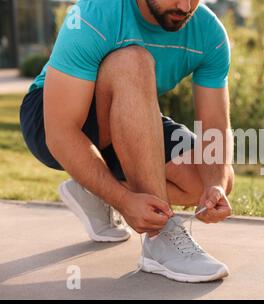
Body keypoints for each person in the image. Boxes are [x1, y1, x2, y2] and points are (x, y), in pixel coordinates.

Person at [19, 0, 234, 283]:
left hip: (128, 112)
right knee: (132, 59)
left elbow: (215, 127)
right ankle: (159, 238)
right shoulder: (95, 14)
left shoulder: (208, 32)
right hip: (54, 118)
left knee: (210, 177)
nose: (184, 5)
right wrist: (122, 200)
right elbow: (60, 132)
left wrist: (214, 184)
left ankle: (92, 188)